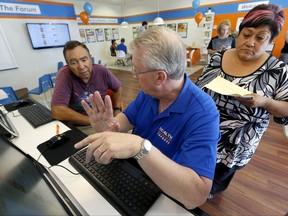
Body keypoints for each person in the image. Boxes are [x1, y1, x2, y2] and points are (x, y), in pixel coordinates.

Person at [75, 26, 220, 209]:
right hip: (132, 174)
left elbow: (196, 197)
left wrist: (140, 147)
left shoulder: (204, 113)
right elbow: (125, 120)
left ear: (160, 77)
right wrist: (109, 127)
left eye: (136, 70)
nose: (133, 76)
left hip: (163, 190)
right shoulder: (149, 93)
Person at [196, 4, 288, 199]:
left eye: (260, 38)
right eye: (246, 35)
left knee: (216, 181)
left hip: (237, 141)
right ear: (238, 34)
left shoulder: (277, 70)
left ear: (270, 41)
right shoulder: (218, 58)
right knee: (195, 168)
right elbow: (198, 87)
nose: (250, 42)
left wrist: (265, 103)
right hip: (203, 130)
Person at [51, 40, 122, 134]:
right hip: (81, 126)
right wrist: (90, 120)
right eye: (73, 63)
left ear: (90, 58)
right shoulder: (64, 75)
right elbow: (57, 111)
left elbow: (118, 87)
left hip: (106, 120)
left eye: (84, 60)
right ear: (68, 65)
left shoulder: (102, 71)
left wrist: (117, 109)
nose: (81, 66)